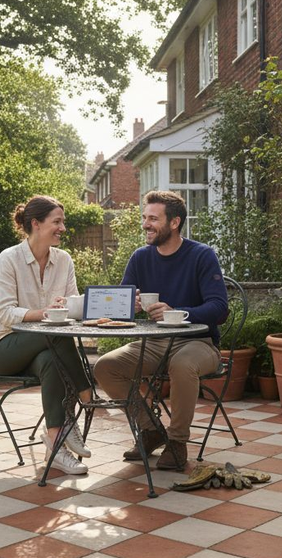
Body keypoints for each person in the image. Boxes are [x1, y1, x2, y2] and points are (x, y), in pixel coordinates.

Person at [93, 190, 228, 471]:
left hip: (198, 342)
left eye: (153, 218)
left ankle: (177, 442)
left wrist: (176, 312)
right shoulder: (140, 258)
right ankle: (151, 428)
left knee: (181, 364)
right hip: (154, 342)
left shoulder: (201, 255)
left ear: (175, 222)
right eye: (145, 217)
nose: (145, 224)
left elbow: (219, 308)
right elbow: (119, 304)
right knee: (105, 367)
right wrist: (132, 303)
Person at [0, 195, 93, 475]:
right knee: (55, 332)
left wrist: (77, 307)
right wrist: (45, 312)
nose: (62, 228)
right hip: (3, 348)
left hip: (43, 348)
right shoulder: (9, 259)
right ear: (36, 224)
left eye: (62, 222)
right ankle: (87, 394)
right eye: (57, 222)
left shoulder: (64, 260)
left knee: (52, 359)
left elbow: (71, 303)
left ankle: (56, 441)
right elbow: (5, 313)